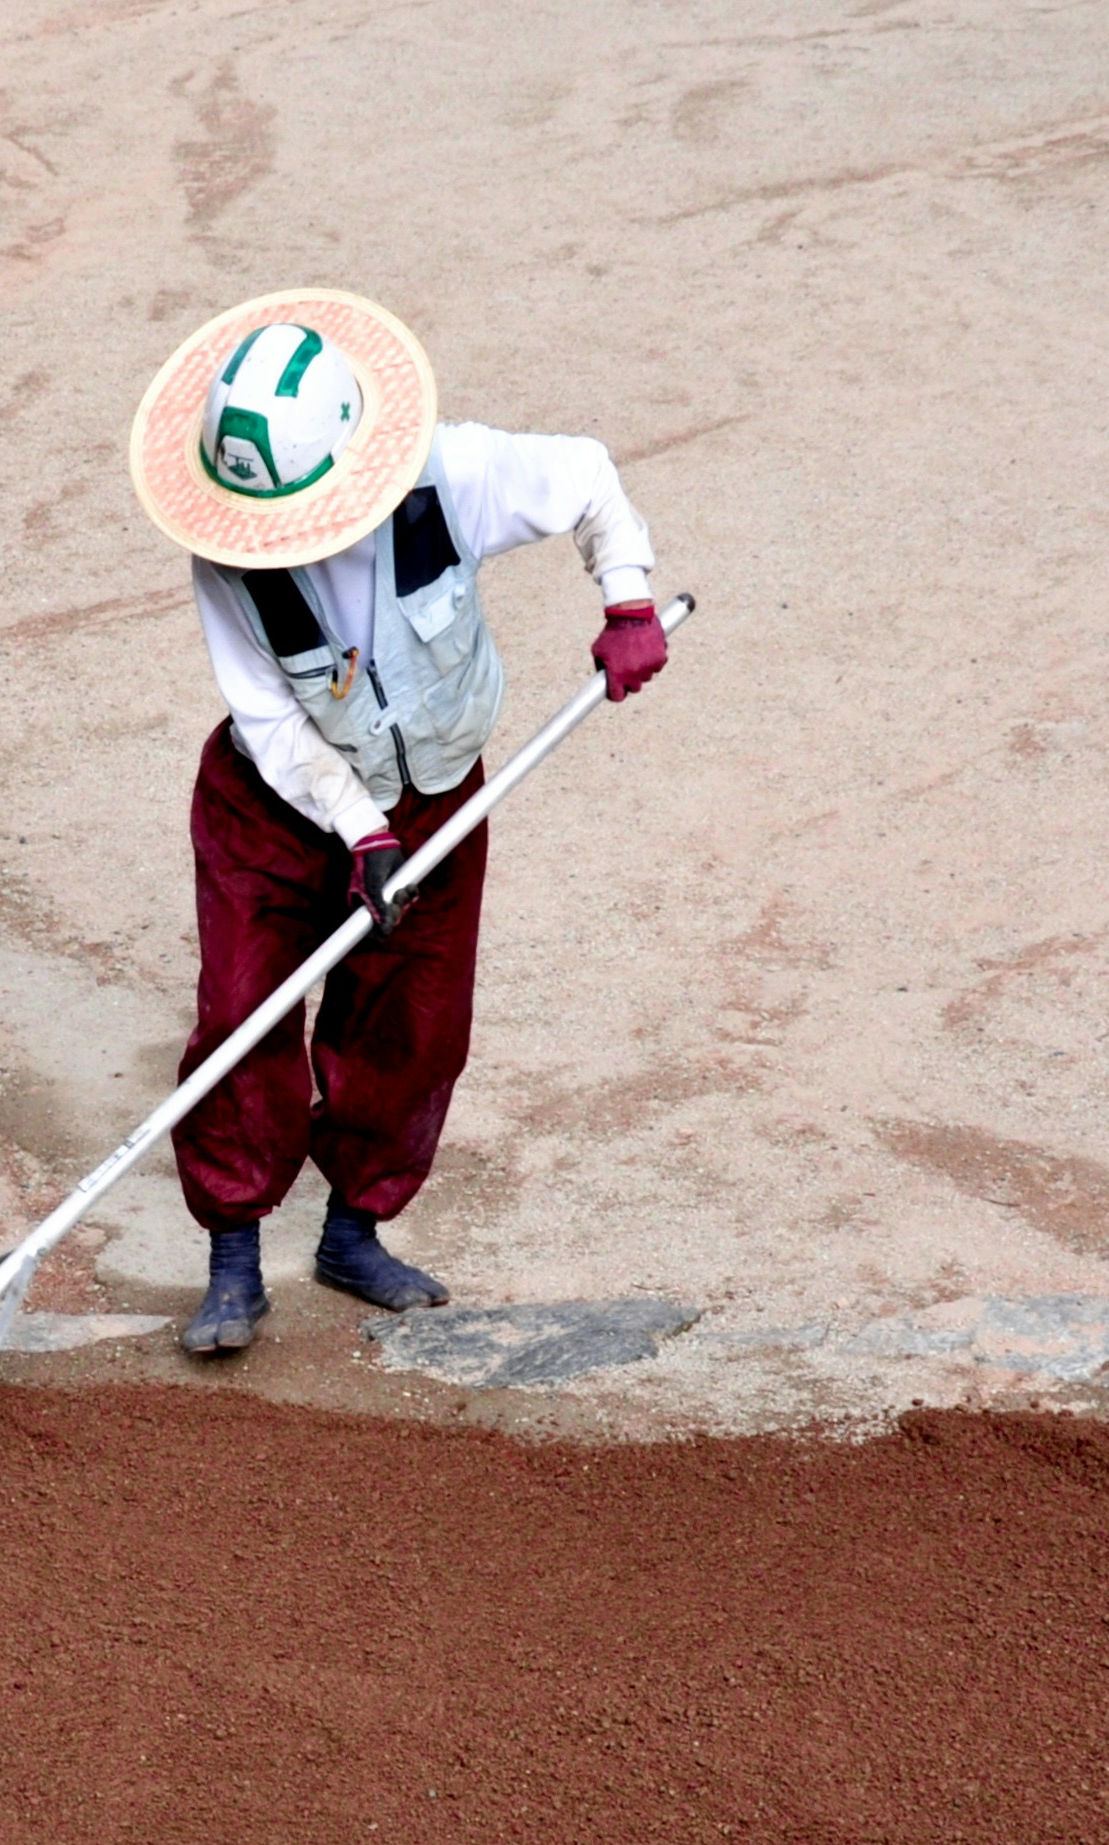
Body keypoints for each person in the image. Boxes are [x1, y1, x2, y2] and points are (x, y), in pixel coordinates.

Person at [124, 291, 670, 1355]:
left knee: (411, 1021)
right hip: (271, 812)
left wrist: (627, 600)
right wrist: (355, 829)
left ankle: (352, 1230)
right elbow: (269, 718)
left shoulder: (449, 474)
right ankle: (231, 1258)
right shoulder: (224, 551)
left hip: (432, 799)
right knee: (241, 1017)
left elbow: (587, 476)